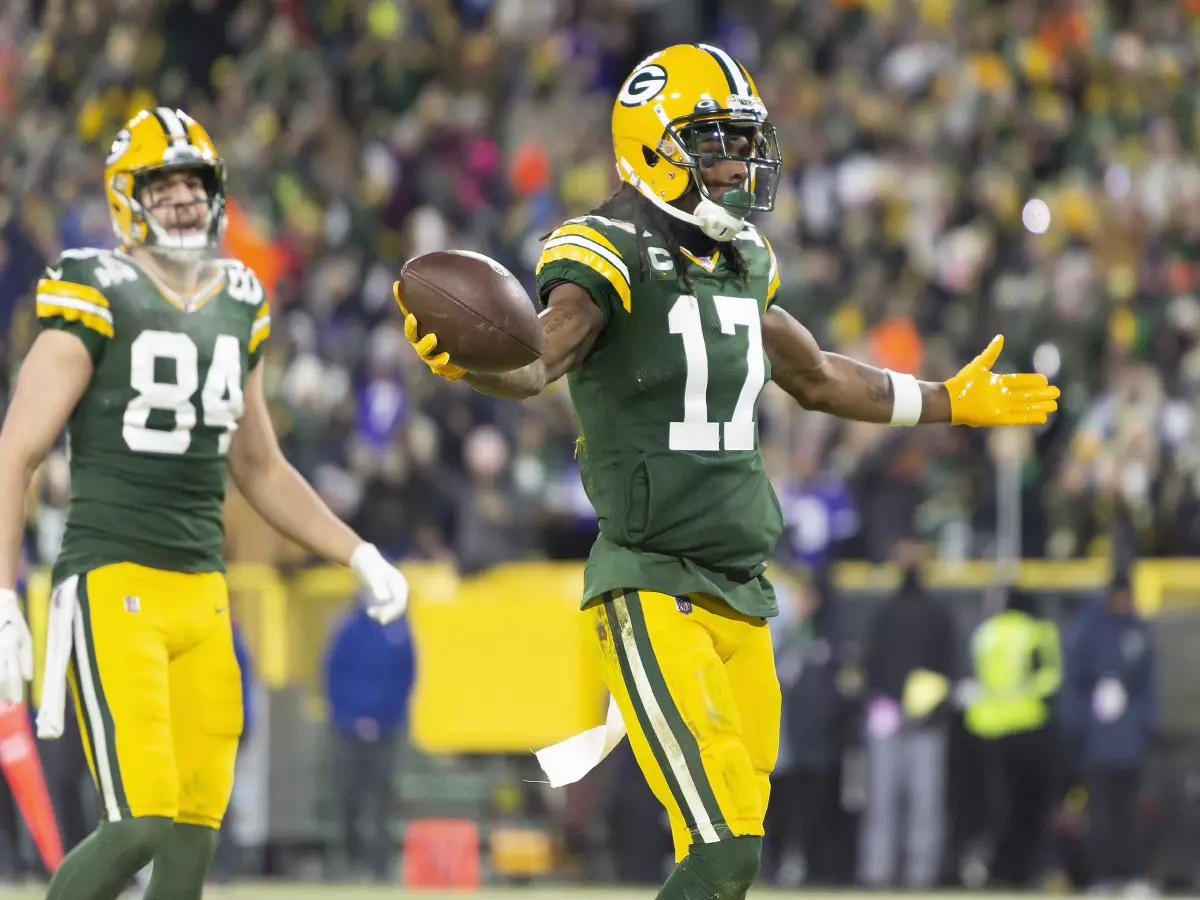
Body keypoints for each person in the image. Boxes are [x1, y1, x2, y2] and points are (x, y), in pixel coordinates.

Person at [396, 44, 1059, 900]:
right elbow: (534, 363)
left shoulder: (744, 261)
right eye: (714, 142)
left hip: (741, 594)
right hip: (652, 585)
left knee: (731, 861)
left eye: (744, 143)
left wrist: (947, 402)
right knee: (723, 859)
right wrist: (469, 362)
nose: (739, 163)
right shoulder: (606, 247)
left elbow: (817, 375)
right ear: (653, 147)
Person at [0, 108, 409, 900]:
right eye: (165, 183)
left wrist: (355, 551)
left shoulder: (240, 298)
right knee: (137, 824)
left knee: (192, 840)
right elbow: (17, 449)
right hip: (112, 580)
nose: (185, 199)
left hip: (203, 592)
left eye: (197, 183)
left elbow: (260, 465)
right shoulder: (94, 285)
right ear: (129, 196)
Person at [1063, 573, 1160, 894]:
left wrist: (1142, 722)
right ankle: (1101, 877)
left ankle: (1134, 875)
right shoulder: (1089, 630)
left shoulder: (1138, 631)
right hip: (1097, 742)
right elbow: (1073, 683)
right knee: (1100, 814)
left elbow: (1149, 686)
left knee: (1131, 814)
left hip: (1129, 741)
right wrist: (1083, 722)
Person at [965, 589, 1062, 888]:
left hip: (987, 728)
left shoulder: (985, 633)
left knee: (996, 806)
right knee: (1028, 806)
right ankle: (1023, 870)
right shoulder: (1036, 632)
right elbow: (1051, 678)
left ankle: (994, 868)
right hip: (1027, 727)